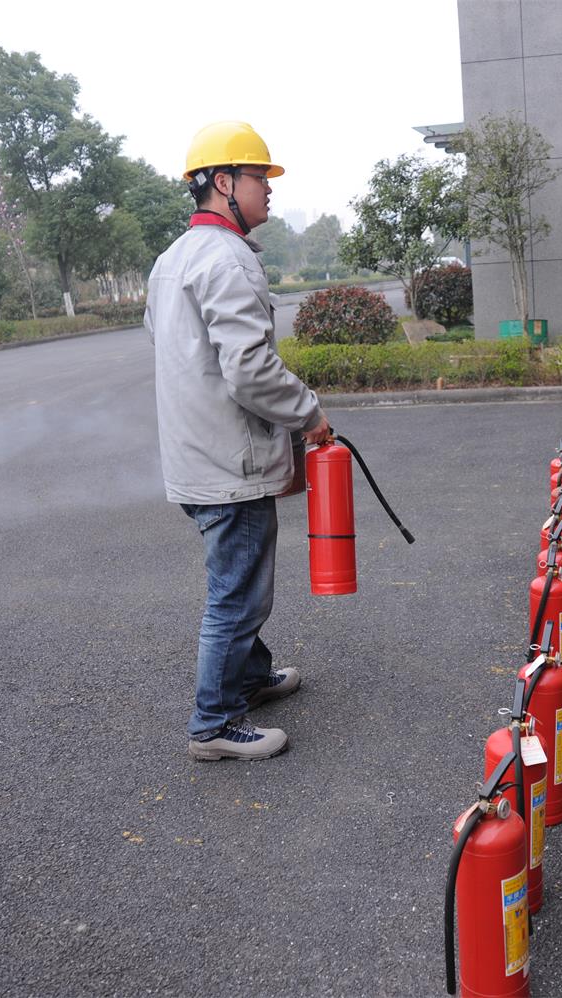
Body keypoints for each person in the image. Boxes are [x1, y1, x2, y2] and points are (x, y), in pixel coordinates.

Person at [146, 121, 331, 762]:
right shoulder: (228, 260)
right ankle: (214, 723)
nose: (269, 190)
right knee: (237, 592)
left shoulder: (172, 260)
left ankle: (250, 677)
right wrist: (309, 414)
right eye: (260, 178)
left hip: (195, 454)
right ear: (223, 183)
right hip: (230, 459)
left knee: (239, 577)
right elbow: (249, 370)